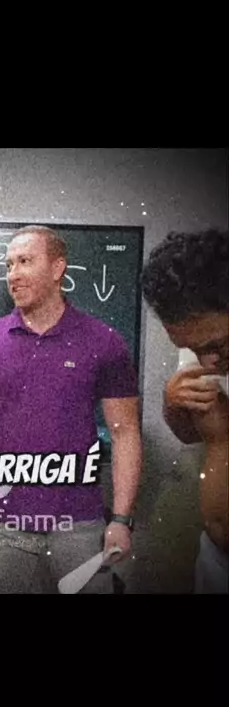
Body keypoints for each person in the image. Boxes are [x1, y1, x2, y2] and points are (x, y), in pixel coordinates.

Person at [0, 226, 142, 593]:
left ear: (57, 268)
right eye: (8, 265)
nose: (13, 274)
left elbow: (125, 432)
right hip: (2, 523)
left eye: (24, 261)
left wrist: (121, 518)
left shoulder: (104, 342)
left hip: (79, 522)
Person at [142, 227, 228, 594]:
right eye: (192, 349)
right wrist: (171, 402)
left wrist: (223, 438)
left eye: (218, 346)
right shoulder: (200, 342)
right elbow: (190, 434)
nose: (208, 363)